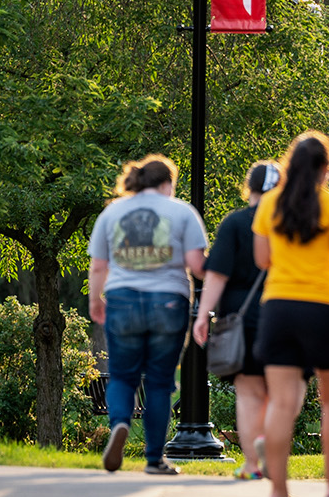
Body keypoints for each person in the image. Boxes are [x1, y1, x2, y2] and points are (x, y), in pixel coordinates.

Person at [252, 131, 329, 497]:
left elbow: (261, 260)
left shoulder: (269, 204)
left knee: (282, 402)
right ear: (325, 168)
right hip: (323, 309)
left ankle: (279, 489)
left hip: (278, 308)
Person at [89, 154, 209, 475]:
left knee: (123, 376)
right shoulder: (182, 211)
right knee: (159, 383)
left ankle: (119, 424)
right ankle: (154, 459)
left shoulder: (112, 212)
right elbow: (198, 267)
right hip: (168, 302)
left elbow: (99, 265)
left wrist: (95, 300)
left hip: (122, 298)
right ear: (167, 183)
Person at [190, 161, 280, 480]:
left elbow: (216, 274)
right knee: (279, 393)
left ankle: (252, 463)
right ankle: (270, 446)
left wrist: (203, 315)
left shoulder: (235, 223)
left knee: (249, 392)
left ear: (250, 188)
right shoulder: (291, 224)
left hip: (243, 320)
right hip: (284, 315)